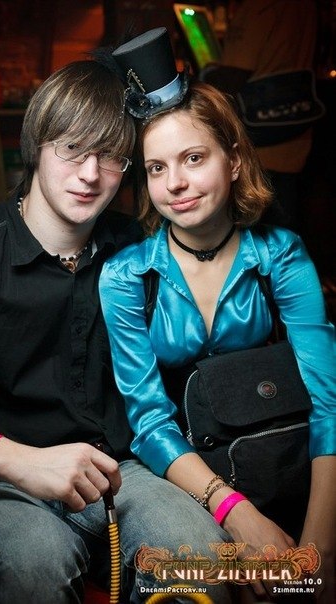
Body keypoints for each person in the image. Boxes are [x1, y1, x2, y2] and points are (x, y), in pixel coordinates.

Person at [0, 59, 234, 604]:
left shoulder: (138, 248)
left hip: (119, 473)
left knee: (200, 556)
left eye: (111, 156)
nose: (90, 174)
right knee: (32, 563)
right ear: (37, 145)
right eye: (71, 148)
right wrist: (14, 459)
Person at [99, 28, 336, 603]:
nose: (175, 184)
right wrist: (237, 515)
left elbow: (328, 402)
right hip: (186, 485)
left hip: (285, 471)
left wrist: (319, 550)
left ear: (233, 160)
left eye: (193, 158)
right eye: (156, 168)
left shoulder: (281, 256)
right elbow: (148, 421)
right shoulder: (126, 277)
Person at [199, 0, 321, 232]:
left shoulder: (257, 7)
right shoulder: (307, 6)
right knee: (286, 233)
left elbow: (232, 76)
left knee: (258, 236)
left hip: (260, 145)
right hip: (297, 136)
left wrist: (199, 81)